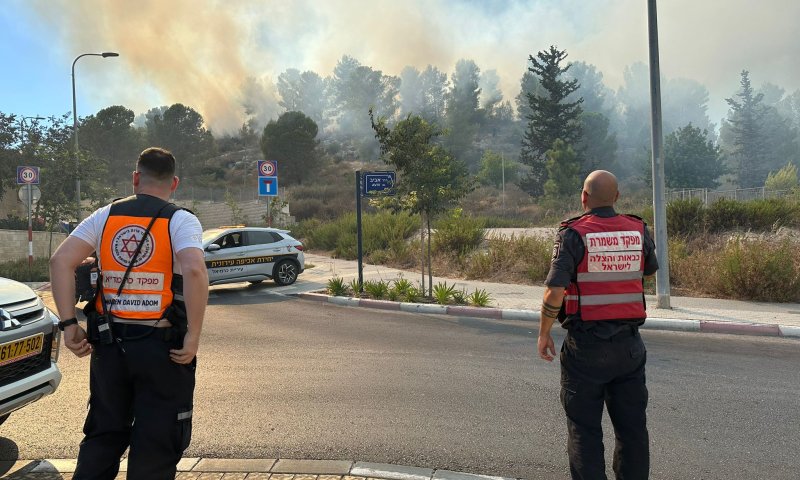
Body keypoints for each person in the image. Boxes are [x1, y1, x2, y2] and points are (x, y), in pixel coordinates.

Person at [49, 147, 209, 480]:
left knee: (103, 436)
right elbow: (194, 270)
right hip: (163, 350)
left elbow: (60, 261)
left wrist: (68, 325)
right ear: (174, 183)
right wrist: (193, 335)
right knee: (156, 442)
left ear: (136, 178)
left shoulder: (104, 216)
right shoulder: (180, 219)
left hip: (109, 347)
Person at [538, 170, 659, 480]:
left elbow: (554, 290)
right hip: (629, 348)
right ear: (617, 198)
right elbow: (647, 269)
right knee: (633, 430)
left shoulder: (573, 234)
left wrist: (544, 333)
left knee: (585, 430)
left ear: (584, 197)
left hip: (586, 349)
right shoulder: (638, 230)